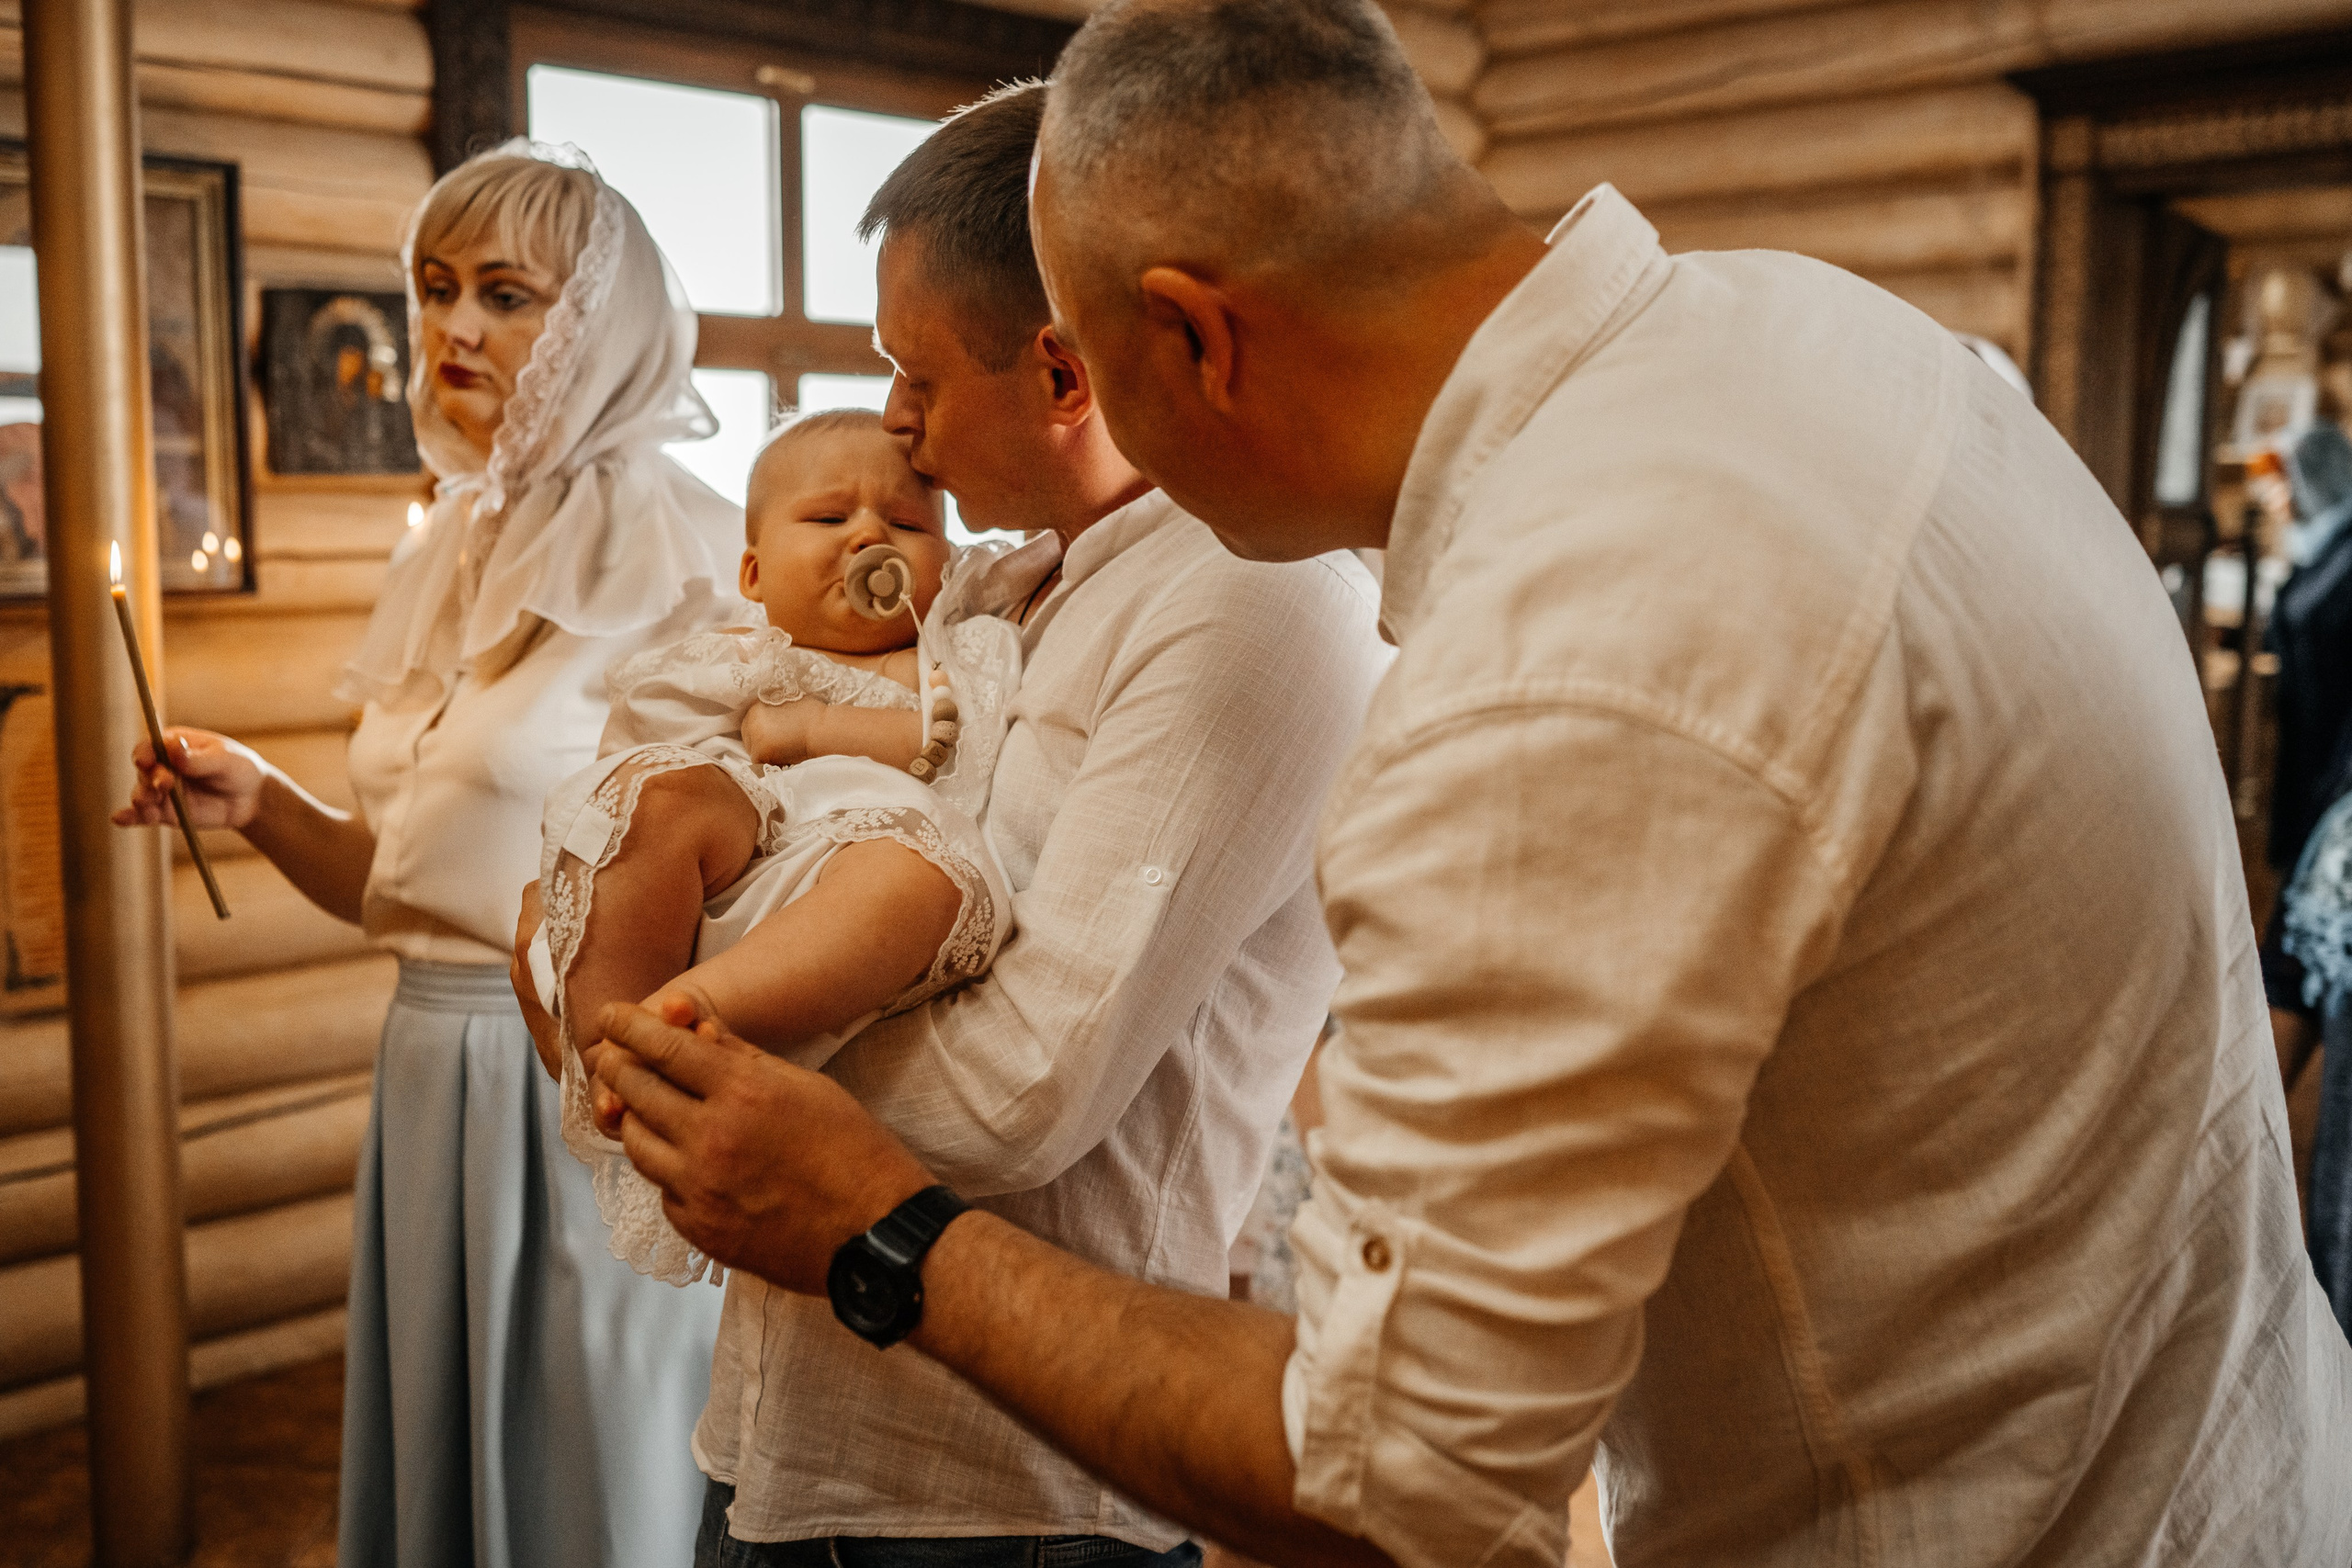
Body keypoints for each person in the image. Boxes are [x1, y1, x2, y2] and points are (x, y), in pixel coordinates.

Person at [582, 5, 2352, 1566]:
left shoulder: (1567, 655)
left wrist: (877, 1226)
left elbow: (1398, 1475)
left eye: (1101, 374)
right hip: (2234, 1462)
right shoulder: (1819, 327)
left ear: (1194, 341)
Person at [513, 81, 1386, 1565]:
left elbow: (1020, 1088)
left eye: (912, 373)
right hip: (792, 1416)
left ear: (1061, 372)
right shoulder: (991, 589)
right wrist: (615, 886)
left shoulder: (1251, 602)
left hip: (1005, 1491)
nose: (896, 428)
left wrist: (650, 1035)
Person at [116, 143, 733, 1567]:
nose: (452, 326)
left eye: (506, 296)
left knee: (598, 1486)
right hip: (430, 1072)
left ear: (603, 323)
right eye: (435, 287)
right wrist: (261, 801)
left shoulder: (703, 562)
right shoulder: (445, 551)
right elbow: (403, 889)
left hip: (587, 1086)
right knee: (447, 1477)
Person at [533, 409, 1020, 1284]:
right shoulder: (729, 658)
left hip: (858, 854)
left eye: (908, 524)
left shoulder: (950, 653)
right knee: (643, 805)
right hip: (733, 853)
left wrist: (814, 727)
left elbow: (960, 741)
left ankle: (670, 1024)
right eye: (830, 516)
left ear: (946, 566)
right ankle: (610, 1049)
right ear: (753, 572)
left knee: (919, 880)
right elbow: (635, 763)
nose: (869, 535)